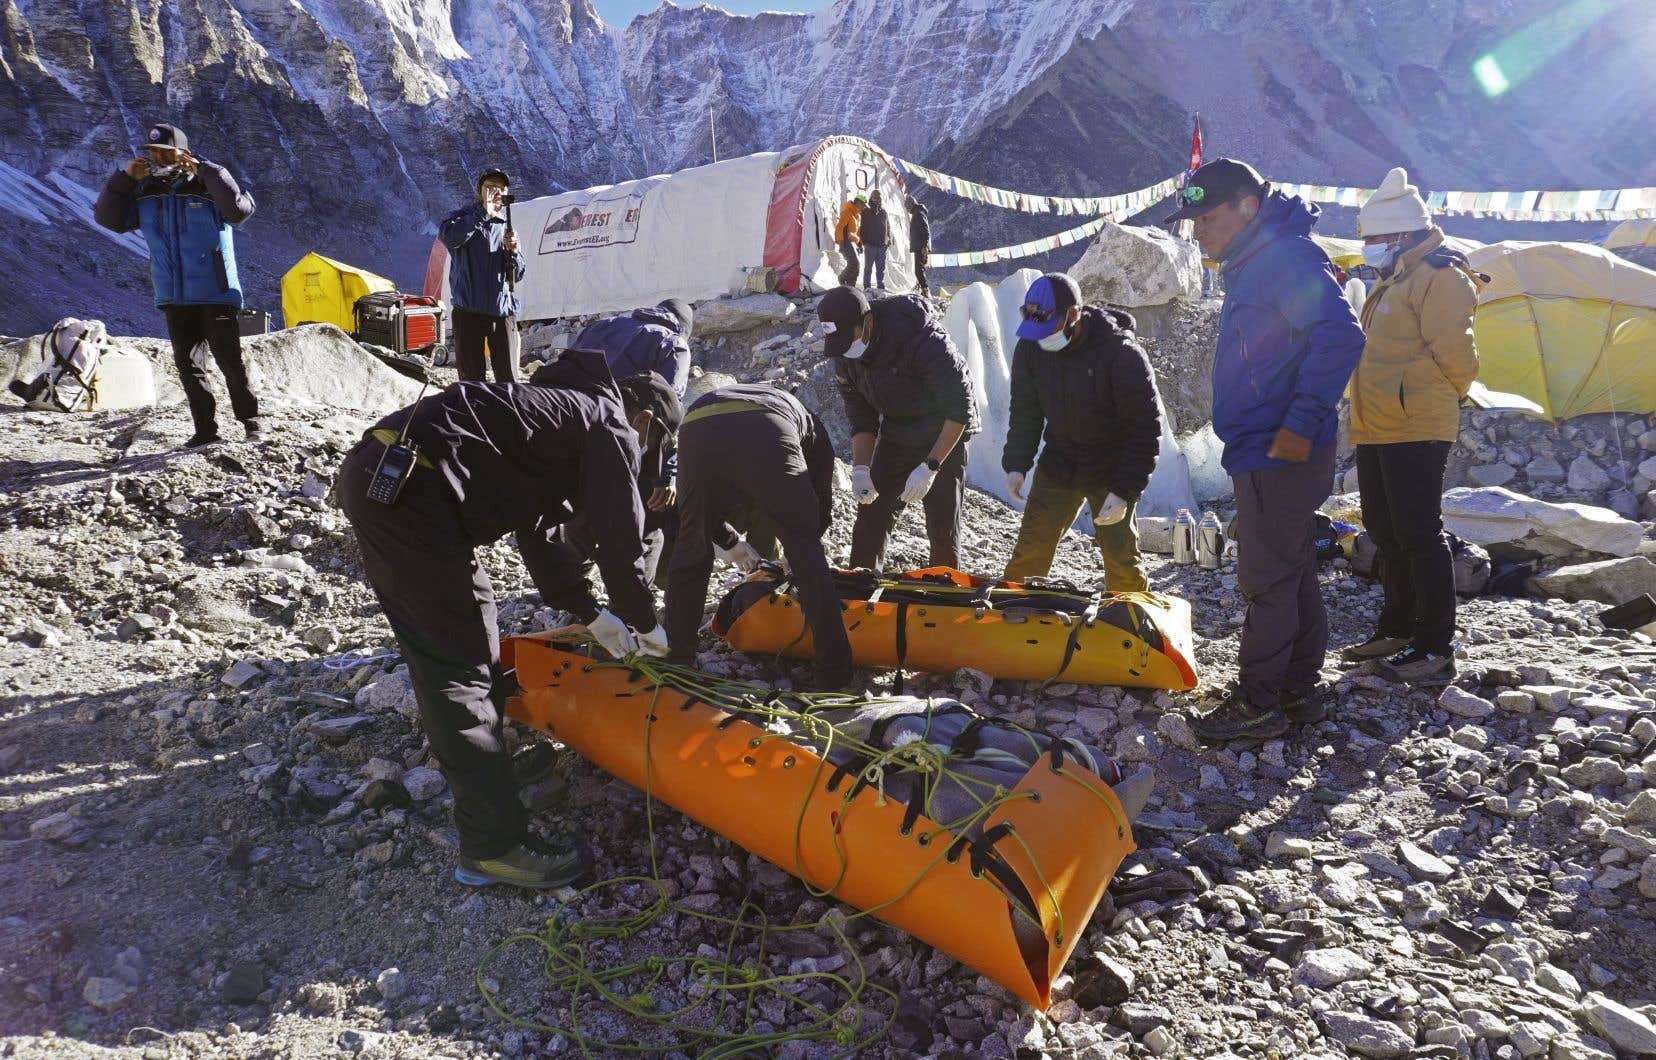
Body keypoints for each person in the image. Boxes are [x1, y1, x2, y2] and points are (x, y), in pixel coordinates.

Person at [338, 348, 666, 889]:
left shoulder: (550, 417)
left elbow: (539, 542)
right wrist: (646, 623)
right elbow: (620, 540)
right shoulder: (606, 422)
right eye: (647, 443)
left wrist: (590, 611)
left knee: (477, 631)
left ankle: (491, 773)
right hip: (413, 493)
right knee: (456, 667)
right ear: (645, 420)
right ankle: (492, 847)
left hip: (392, 478)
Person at [1163, 159, 1365, 743]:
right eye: (1192, 218)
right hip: (1268, 442)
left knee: (1267, 578)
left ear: (1246, 207)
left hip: (1279, 446)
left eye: (1207, 216)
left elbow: (1342, 336)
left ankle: (1257, 703)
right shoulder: (1257, 262)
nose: (1197, 229)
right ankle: (1298, 691)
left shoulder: (1283, 259)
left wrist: (1299, 424)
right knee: (1292, 568)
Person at [1342, 168, 1479, 687]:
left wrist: (1436, 397)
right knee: (1384, 530)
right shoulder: (1395, 275)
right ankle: (1397, 629)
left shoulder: (1441, 276)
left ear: (1399, 234)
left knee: (1420, 533)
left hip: (1416, 423)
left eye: (1373, 238)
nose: (1368, 247)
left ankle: (1435, 647)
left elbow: (1458, 355)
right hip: (1376, 422)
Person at [665, 383, 854, 690]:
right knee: (806, 553)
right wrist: (797, 551)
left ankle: (676, 658)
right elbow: (817, 507)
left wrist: (729, 542)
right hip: (767, 425)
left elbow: (694, 514)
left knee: (691, 547)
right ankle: (834, 673)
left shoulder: (763, 402)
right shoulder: (813, 429)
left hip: (697, 423)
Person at [93, 123, 262, 448]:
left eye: (165, 153)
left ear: (182, 154)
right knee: (189, 367)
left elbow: (239, 211)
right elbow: (108, 219)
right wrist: (125, 179)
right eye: (152, 152)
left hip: (216, 292)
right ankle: (206, 432)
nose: (157, 158)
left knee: (230, 362)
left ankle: (252, 424)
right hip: (174, 294)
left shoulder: (206, 184)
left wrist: (207, 170)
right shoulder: (144, 192)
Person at [1001, 272, 1161, 593]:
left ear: (1073, 315)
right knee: (1030, 550)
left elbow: (1145, 430)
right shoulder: (1031, 349)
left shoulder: (1122, 354)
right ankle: (1011, 615)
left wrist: (1124, 491)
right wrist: (1017, 464)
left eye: (1049, 328)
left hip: (1111, 468)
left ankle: (1131, 623)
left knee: (1121, 559)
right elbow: (1025, 412)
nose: (1042, 338)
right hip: (1059, 462)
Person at [816, 286, 978, 571]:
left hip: (944, 432)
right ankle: (860, 586)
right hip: (899, 430)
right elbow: (861, 416)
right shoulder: (844, 352)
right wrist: (861, 471)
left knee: (942, 524)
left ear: (867, 322)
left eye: (847, 339)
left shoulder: (919, 336)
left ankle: (944, 593)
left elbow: (960, 407)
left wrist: (930, 466)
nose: (845, 349)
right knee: (871, 514)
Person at [524, 369, 686, 618]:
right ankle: (573, 584)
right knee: (578, 524)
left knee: (650, 535)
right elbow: (538, 520)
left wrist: (668, 478)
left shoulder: (654, 410)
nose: (653, 447)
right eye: (654, 440)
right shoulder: (583, 422)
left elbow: (670, 443)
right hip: (585, 485)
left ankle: (630, 604)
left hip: (633, 480)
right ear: (641, 420)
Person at [440, 168, 525, 383]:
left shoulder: (508, 227)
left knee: (508, 378)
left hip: (502, 312)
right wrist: (482, 214)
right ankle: (472, 416)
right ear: (480, 191)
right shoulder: (461, 217)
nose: (495, 192)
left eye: (500, 189)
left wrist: (513, 251)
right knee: (471, 380)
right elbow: (450, 238)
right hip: (468, 312)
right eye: (490, 187)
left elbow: (518, 273)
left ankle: (508, 416)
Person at [860, 190, 892, 291]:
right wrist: (864, 242)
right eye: (876, 198)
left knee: (881, 269)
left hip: (882, 246)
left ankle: (880, 287)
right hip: (870, 245)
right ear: (871, 198)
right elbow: (862, 227)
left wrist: (888, 239)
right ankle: (867, 287)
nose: (878, 200)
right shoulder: (866, 211)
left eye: (879, 198)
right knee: (868, 268)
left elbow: (888, 226)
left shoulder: (884, 212)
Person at [834, 194, 865, 286]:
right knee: (854, 263)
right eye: (863, 204)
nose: (864, 207)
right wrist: (840, 241)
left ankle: (851, 287)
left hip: (853, 243)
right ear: (858, 202)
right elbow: (839, 227)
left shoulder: (857, 215)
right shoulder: (847, 211)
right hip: (845, 241)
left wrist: (860, 243)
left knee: (857, 267)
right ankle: (842, 278)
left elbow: (857, 232)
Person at [908, 195, 932, 296]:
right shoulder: (918, 213)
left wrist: (925, 246)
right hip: (920, 246)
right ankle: (923, 289)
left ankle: (925, 290)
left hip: (921, 247)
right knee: (920, 269)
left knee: (918, 270)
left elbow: (925, 231)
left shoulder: (918, 214)